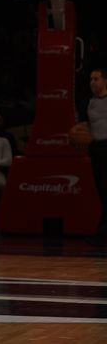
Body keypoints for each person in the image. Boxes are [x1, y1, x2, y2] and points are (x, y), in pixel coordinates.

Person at [76, 68, 107, 230]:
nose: (93, 82)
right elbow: (82, 127)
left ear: (105, 81)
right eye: (91, 79)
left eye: (96, 79)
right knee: (101, 189)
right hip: (96, 149)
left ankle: (102, 228)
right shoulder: (87, 102)